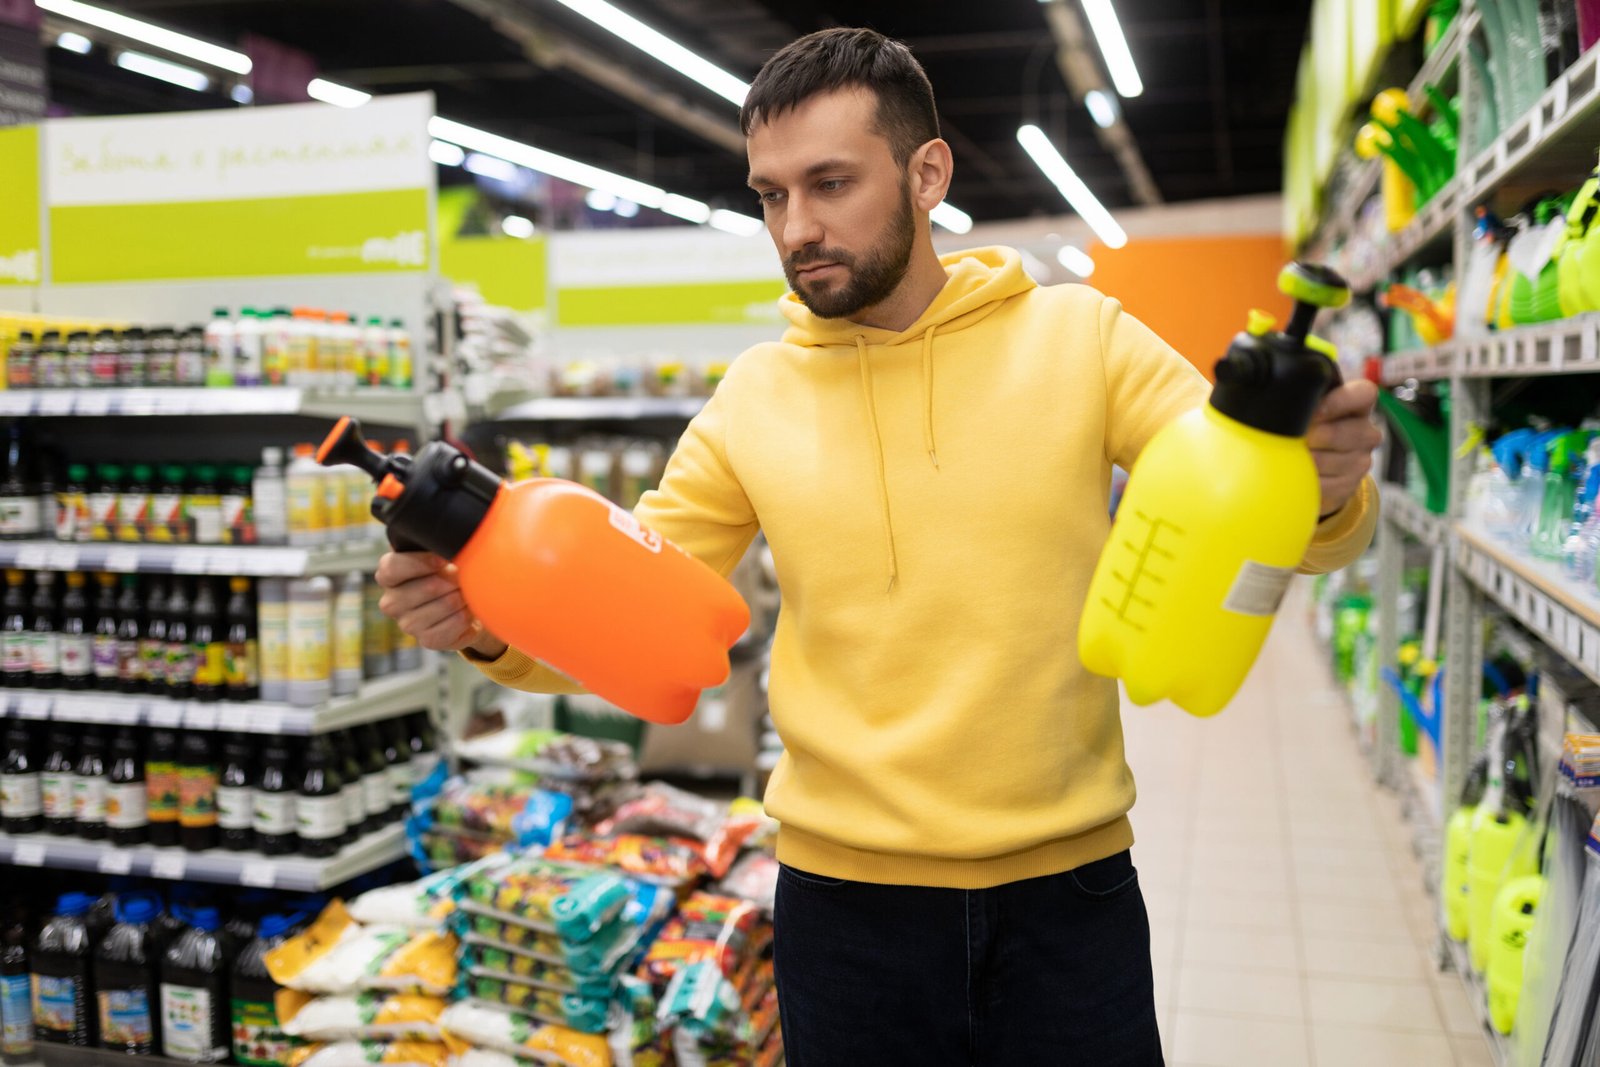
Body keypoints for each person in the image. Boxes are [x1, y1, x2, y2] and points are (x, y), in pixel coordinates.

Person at [377, 27, 1380, 1066]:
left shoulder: (1081, 337)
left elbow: (1259, 513)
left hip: (1066, 894)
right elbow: (626, 608)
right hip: (843, 905)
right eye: (770, 194)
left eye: (829, 183)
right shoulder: (752, 399)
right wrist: (485, 627)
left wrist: (1321, 485)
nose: (796, 226)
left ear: (925, 173)